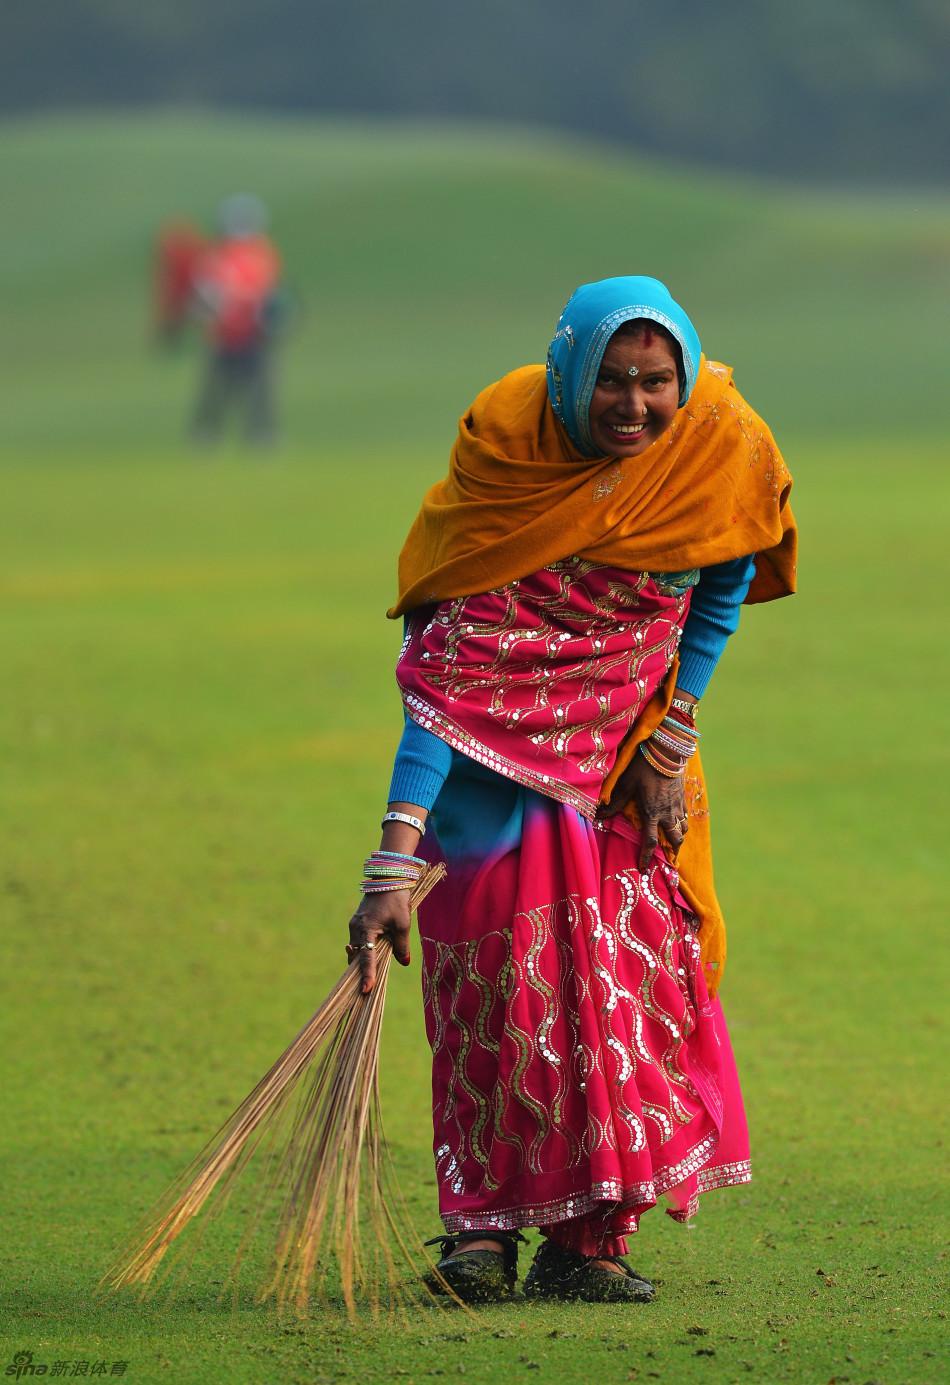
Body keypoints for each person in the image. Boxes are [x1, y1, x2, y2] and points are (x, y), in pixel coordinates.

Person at [347, 276, 797, 1304]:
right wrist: (393, 853)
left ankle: (587, 1242)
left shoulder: (714, 444)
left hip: (623, 774)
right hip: (486, 800)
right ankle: (480, 1236)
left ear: (683, 377)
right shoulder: (505, 461)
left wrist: (670, 738)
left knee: (621, 997)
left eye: (654, 382)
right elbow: (449, 679)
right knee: (495, 1005)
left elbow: (722, 578)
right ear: (567, 374)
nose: (634, 405)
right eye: (610, 381)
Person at [189, 194, 285, 447]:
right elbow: (206, 295)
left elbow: (270, 293)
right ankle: (207, 434)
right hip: (224, 334)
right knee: (218, 390)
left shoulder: (263, 253)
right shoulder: (217, 256)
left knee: (259, 391)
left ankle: (260, 434)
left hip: (253, 334)